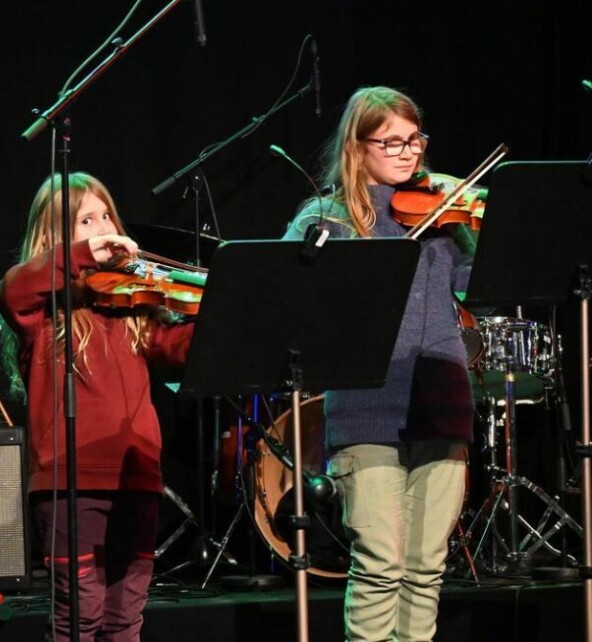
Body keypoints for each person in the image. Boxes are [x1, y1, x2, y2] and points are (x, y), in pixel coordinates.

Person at [282, 86, 474, 642]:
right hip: (367, 406)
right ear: (357, 147)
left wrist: (479, 224)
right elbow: (287, 295)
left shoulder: (442, 215)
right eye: (391, 142)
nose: (408, 152)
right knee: (380, 565)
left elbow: (477, 288)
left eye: (415, 140)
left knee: (425, 568)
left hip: (441, 399)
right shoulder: (328, 218)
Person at [0, 172, 195, 642]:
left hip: (138, 475)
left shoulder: (133, 307)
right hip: (72, 480)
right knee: (80, 615)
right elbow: (13, 290)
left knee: (125, 617)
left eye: (107, 215)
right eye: (88, 219)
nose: (105, 226)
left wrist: (220, 307)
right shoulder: (42, 315)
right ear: (53, 237)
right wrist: (85, 256)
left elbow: (182, 349)